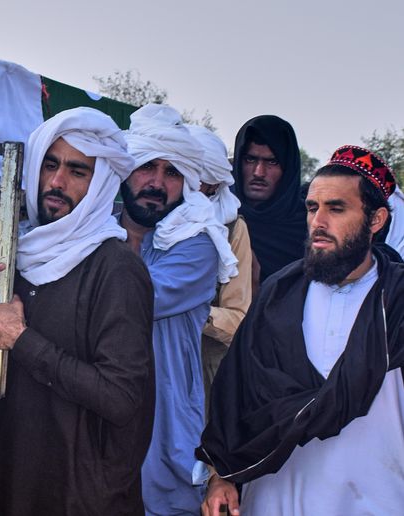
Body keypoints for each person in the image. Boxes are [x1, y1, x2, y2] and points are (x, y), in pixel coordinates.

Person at [0, 107, 155, 515]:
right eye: (50, 165)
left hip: (81, 495)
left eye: (77, 171)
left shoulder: (117, 269)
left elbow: (121, 398)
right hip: (13, 481)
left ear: (102, 182)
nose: (56, 181)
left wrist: (21, 339)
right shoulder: (17, 255)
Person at [197, 145, 404, 516]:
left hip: (379, 498)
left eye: (336, 208)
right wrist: (221, 476)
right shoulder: (278, 294)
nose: (318, 222)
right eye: (312, 208)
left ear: (375, 220)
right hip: (275, 497)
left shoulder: (398, 303)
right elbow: (236, 391)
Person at [119, 104, 235, 515]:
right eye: (147, 166)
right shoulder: (95, 232)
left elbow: (129, 301)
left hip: (161, 425)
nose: (157, 182)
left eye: (172, 172)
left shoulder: (196, 244)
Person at [186, 125, 254, 411]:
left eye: (197, 177)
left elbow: (238, 317)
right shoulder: (149, 216)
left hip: (202, 372)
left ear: (214, 184)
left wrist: (188, 311)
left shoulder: (232, 229)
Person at [232, 115, 306, 283]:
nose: (259, 172)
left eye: (272, 162)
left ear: (287, 169)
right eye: (250, 159)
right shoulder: (219, 217)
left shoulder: (310, 226)